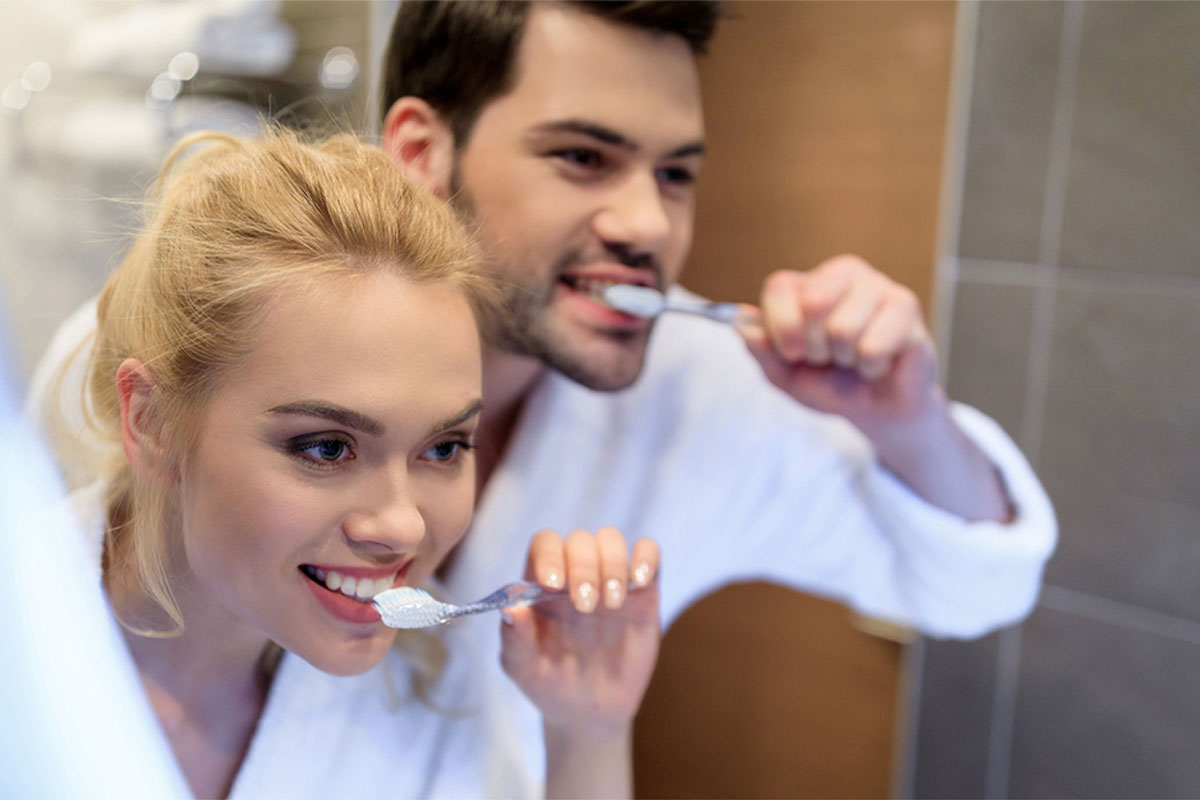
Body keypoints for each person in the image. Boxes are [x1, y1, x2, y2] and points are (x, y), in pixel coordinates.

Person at [26, 0, 1057, 790]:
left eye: (677, 174)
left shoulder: (704, 399)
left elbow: (976, 584)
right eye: (583, 156)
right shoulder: (159, 362)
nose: (648, 223)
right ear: (423, 152)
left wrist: (903, 414)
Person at [34, 127, 661, 798]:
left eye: (444, 448)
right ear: (152, 422)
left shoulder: (427, 696)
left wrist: (587, 734)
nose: (404, 528)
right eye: (327, 448)